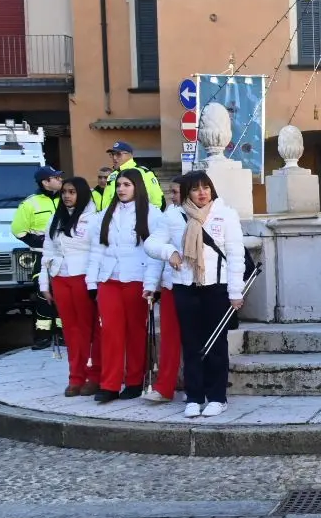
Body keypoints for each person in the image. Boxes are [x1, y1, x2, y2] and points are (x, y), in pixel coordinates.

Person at [147, 170, 246, 419]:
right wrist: (169, 251)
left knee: (215, 344)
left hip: (216, 286)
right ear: (188, 192)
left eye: (206, 187)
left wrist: (235, 291)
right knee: (191, 343)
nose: (202, 193)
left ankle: (217, 396)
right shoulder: (174, 216)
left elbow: (236, 254)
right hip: (184, 286)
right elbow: (151, 244)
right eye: (196, 188)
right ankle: (194, 396)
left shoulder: (225, 214)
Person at [86, 169, 161, 403]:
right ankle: (109, 384)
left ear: (137, 187)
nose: (121, 189)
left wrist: (151, 285)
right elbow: (97, 250)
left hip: (136, 280)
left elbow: (154, 254)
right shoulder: (104, 215)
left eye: (127, 184)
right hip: (109, 280)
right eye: (119, 185)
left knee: (136, 333)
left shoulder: (152, 214)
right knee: (110, 333)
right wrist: (91, 281)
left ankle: (134, 381)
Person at [42, 177, 102, 396]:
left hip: (83, 277)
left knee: (90, 329)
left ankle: (94, 375)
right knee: (70, 330)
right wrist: (44, 283)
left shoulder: (94, 219)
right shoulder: (55, 218)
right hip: (60, 277)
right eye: (65, 191)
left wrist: (93, 283)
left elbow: (97, 253)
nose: (67, 196)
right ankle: (75, 377)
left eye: (72, 192)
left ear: (82, 194)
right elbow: (47, 252)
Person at [140, 177, 183, 405]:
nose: (172, 196)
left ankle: (204, 386)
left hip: (199, 288)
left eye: (176, 192)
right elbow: (155, 256)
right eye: (172, 192)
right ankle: (164, 388)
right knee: (169, 340)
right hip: (170, 286)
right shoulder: (168, 218)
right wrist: (150, 285)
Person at [12, 165, 62, 349]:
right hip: (42, 257)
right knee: (43, 296)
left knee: (63, 294)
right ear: (46, 182)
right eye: (56, 177)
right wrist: (41, 243)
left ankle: (63, 334)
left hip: (65, 256)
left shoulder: (67, 198)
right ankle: (43, 336)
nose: (60, 180)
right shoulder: (30, 203)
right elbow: (18, 230)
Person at [94, 141, 163, 209]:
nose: (114, 157)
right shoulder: (112, 175)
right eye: (112, 154)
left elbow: (157, 201)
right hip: (112, 218)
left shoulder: (144, 173)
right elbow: (106, 201)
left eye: (118, 154)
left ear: (130, 155)